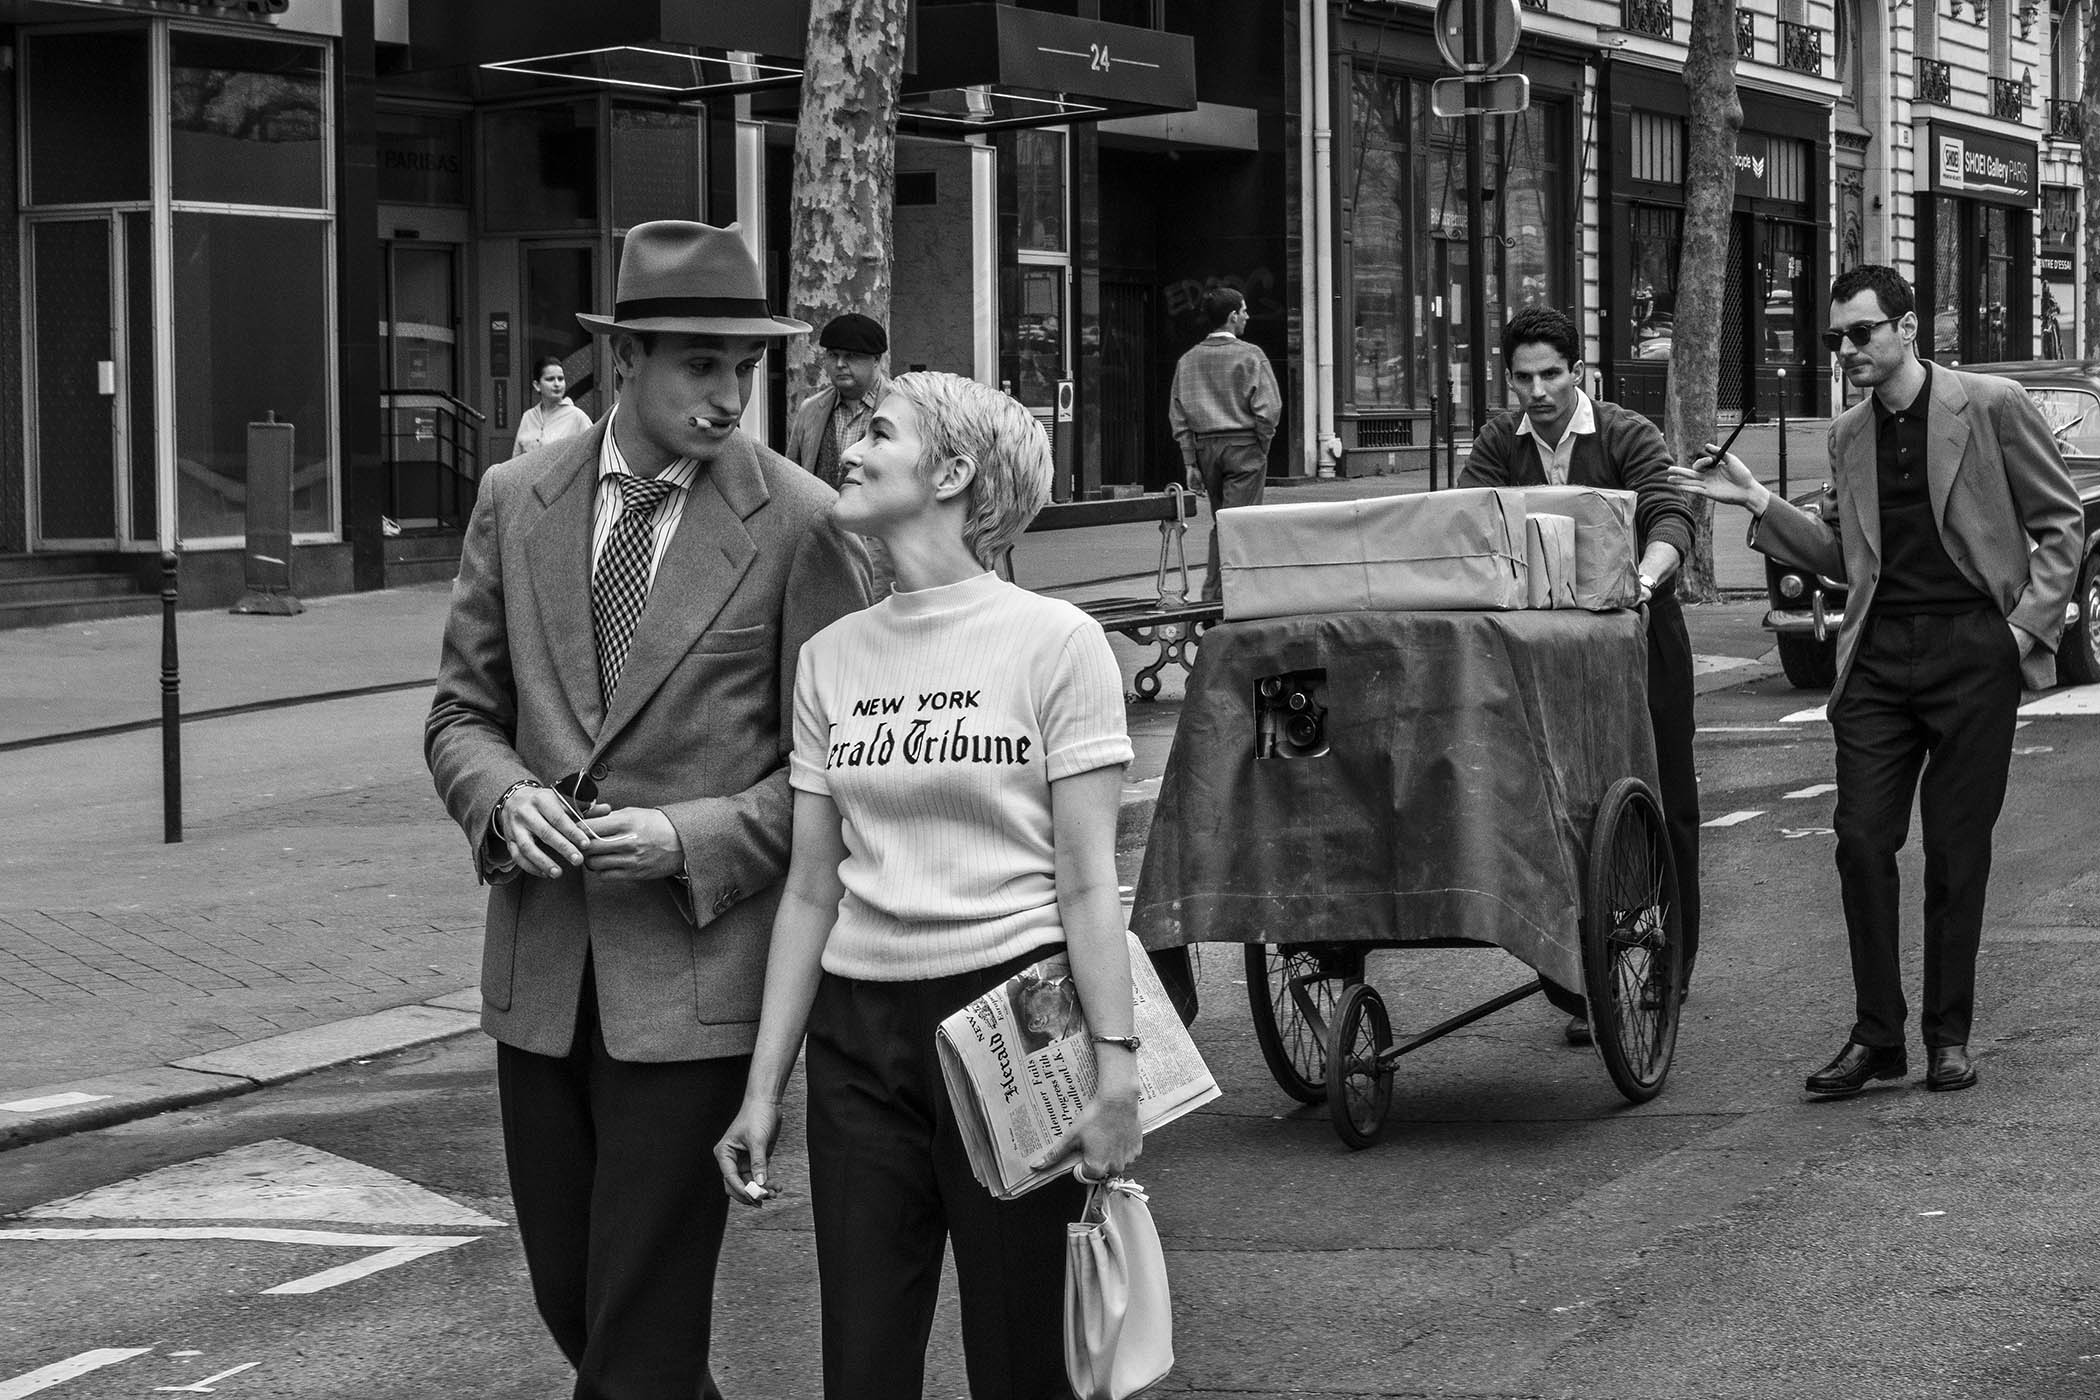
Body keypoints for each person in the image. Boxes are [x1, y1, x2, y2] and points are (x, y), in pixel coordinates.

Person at [424, 220, 870, 1399]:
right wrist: (504, 794)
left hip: (695, 983)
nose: (731, 397)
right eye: (701, 365)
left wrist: (692, 836)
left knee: (639, 1329)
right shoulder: (514, 498)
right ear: (624, 359)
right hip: (542, 974)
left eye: (748, 369)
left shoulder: (805, 521)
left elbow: (834, 775)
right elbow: (459, 714)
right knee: (583, 1310)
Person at [712, 371, 1142, 1400]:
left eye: (879, 432)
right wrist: (762, 1088)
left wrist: (1117, 1070)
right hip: (859, 1035)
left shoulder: (1057, 641)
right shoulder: (830, 657)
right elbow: (811, 888)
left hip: (1017, 1015)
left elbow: (1088, 883)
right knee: (861, 1364)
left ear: (951, 473)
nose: (849, 450)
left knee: (1023, 1360)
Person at [1670, 264, 2083, 1098]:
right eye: (1835, 339)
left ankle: (1947, 1037)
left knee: (1958, 852)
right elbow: (1842, 560)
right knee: (1861, 841)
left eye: (1860, 333)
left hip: (1974, 650)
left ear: (1907, 329)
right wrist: (1755, 501)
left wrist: (2016, 634)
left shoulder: (1992, 405)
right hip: (1879, 660)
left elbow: (2060, 522)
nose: (1845, 351)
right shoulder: (1848, 434)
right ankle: (1878, 1036)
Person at [1458, 306, 1701, 1046]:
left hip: (1638, 638)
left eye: (1552, 375)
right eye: (1524, 378)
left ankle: (1668, 966)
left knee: (1665, 799)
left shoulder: (1627, 434)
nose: (1538, 392)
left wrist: (1646, 580)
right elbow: (1463, 520)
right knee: (1557, 805)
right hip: (1543, 657)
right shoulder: (1501, 440)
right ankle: (1580, 977)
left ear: (1580, 372)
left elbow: (1668, 514)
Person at [1170, 287, 1281, 602]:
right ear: (1232, 317)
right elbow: (1268, 410)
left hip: (1206, 449)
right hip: (1244, 445)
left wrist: (1190, 462)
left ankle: (1220, 595)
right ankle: (1221, 597)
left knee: (1223, 522)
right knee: (1239, 526)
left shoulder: (1188, 360)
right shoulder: (1251, 355)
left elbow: (1179, 416)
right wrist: (1262, 443)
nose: (1247, 315)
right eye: (1244, 310)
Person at [785, 312, 890, 490]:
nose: (840, 364)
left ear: (876, 360)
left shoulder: (899, 405)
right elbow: (791, 474)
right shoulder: (810, 409)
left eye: (851, 355)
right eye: (833, 355)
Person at [512, 354, 593, 455]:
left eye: (560, 379)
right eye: (550, 379)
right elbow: (516, 459)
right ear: (537, 385)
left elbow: (592, 453)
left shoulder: (577, 417)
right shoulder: (528, 417)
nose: (557, 384)